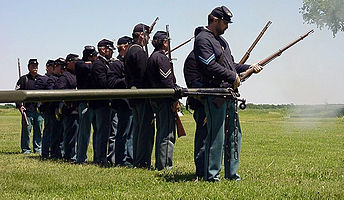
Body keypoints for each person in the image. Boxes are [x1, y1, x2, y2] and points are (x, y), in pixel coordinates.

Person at [193, 6, 263, 181]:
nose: (227, 26)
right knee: (216, 137)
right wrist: (232, 76)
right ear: (215, 20)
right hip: (215, 93)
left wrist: (250, 68)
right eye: (225, 22)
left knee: (234, 135)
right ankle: (212, 176)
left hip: (229, 93)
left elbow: (231, 65)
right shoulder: (203, 40)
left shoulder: (222, 42)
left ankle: (232, 174)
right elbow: (209, 66)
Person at [147, 31, 179, 170]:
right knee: (166, 134)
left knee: (162, 132)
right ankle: (165, 166)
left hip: (156, 99)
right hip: (164, 99)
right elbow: (167, 82)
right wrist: (174, 98)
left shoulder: (153, 57)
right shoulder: (161, 58)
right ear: (164, 42)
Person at [124, 23, 155, 168]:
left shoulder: (130, 50)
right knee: (145, 132)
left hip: (135, 97)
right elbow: (145, 76)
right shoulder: (140, 52)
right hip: (143, 96)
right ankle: (142, 162)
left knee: (138, 130)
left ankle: (138, 160)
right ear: (142, 35)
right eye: (147, 35)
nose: (149, 38)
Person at [184, 27, 207, 179]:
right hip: (202, 104)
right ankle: (201, 172)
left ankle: (209, 170)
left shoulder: (203, 57)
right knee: (203, 140)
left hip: (210, 104)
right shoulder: (193, 58)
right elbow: (194, 84)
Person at [107, 36, 133, 166]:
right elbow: (111, 83)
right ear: (124, 47)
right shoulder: (116, 64)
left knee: (131, 135)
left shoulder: (129, 62)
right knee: (123, 134)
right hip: (122, 104)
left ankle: (129, 159)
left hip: (131, 103)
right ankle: (121, 161)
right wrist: (128, 79)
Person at [89, 39, 114, 165]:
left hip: (103, 103)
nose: (111, 52)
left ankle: (100, 157)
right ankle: (100, 158)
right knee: (102, 133)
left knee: (103, 132)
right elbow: (103, 83)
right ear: (103, 49)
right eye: (109, 49)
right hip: (101, 103)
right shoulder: (99, 65)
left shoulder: (104, 64)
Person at [15, 58, 43, 154]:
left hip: (39, 110)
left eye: (36, 65)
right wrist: (19, 106)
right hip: (27, 110)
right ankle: (26, 149)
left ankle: (38, 149)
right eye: (32, 65)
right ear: (28, 67)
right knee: (26, 131)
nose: (34, 67)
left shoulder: (41, 78)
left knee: (38, 130)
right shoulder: (23, 79)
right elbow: (17, 94)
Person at [75, 46, 98, 164]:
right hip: (84, 102)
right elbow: (87, 67)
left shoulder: (89, 64)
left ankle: (97, 157)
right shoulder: (80, 64)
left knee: (97, 132)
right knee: (84, 133)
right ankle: (81, 158)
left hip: (94, 102)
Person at [55, 54, 79, 161]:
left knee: (77, 135)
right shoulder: (65, 76)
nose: (77, 63)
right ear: (69, 62)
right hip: (69, 110)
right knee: (70, 135)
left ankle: (74, 155)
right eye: (75, 61)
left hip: (77, 109)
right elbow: (58, 90)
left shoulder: (77, 74)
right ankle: (69, 156)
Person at [35, 59, 55, 158]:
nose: (54, 68)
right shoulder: (42, 79)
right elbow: (37, 94)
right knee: (48, 131)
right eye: (52, 66)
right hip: (47, 109)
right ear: (47, 67)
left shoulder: (57, 78)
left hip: (55, 109)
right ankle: (45, 153)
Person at [47, 58, 66, 159]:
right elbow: (51, 94)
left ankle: (61, 153)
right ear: (56, 67)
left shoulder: (63, 78)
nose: (63, 69)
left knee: (62, 133)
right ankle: (54, 154)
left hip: (63, 110)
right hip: (54, 109)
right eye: (61, 67)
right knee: (55, 133)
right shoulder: (52, 79)